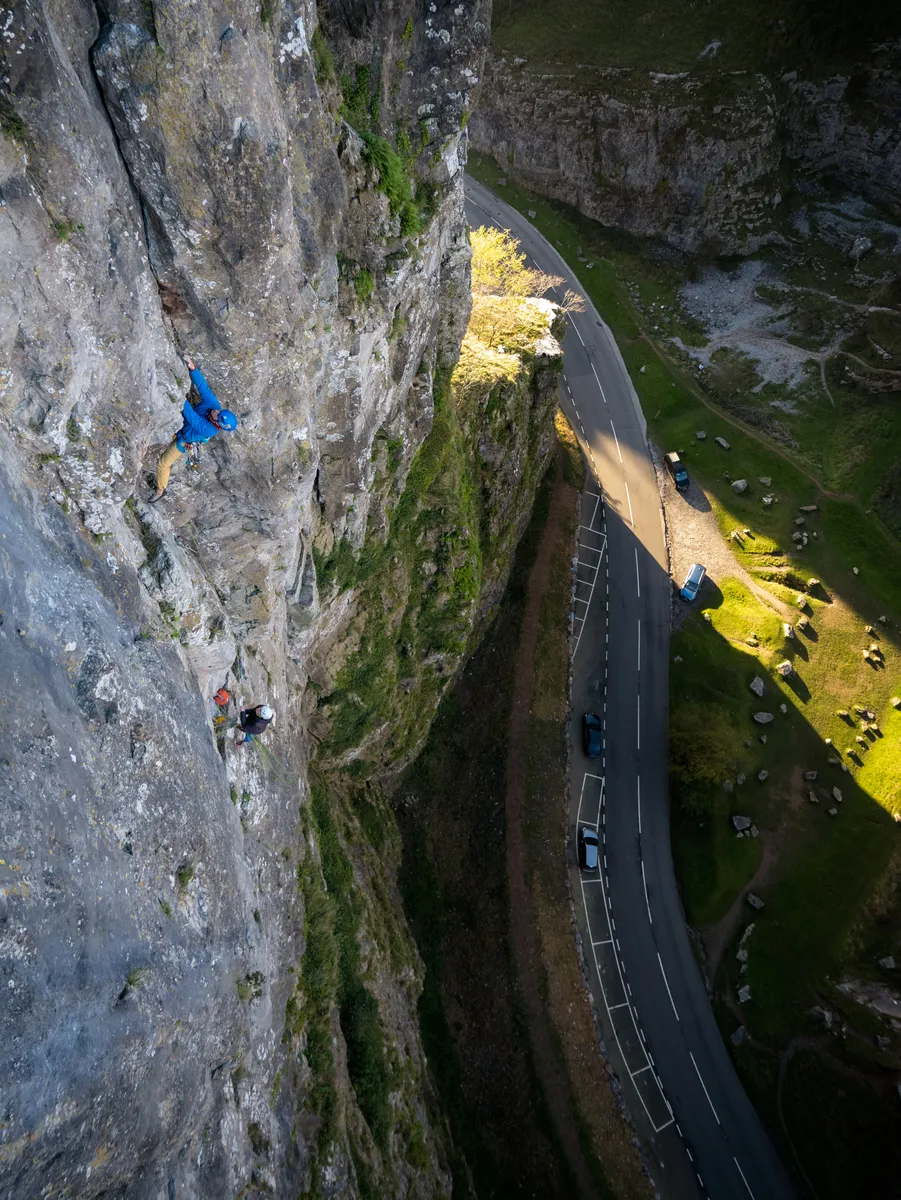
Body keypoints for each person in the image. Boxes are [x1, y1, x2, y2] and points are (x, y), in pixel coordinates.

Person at [150, 354, 238, 502]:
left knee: (163, 463)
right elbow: (204, 388)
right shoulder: (215, 406)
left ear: (218, 424)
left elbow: (191, 416)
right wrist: (193, 368)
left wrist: (175, 393)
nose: (216, 410)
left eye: (218, 414)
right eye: (219, 411)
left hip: (184, 440)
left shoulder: (210, 429)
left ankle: (160, 490)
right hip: (180, 424)